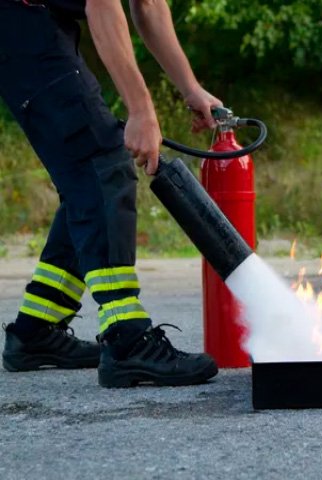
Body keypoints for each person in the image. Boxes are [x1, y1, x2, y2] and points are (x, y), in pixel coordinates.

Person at [0, 0, 221, 387]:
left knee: (88, 180)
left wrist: (191, 88)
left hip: (38, 24)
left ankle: (35, 330)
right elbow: (103, 7)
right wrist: (141, 111)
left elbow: (148, 4)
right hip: (18, 24)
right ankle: (127, 339)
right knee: (102, 163)